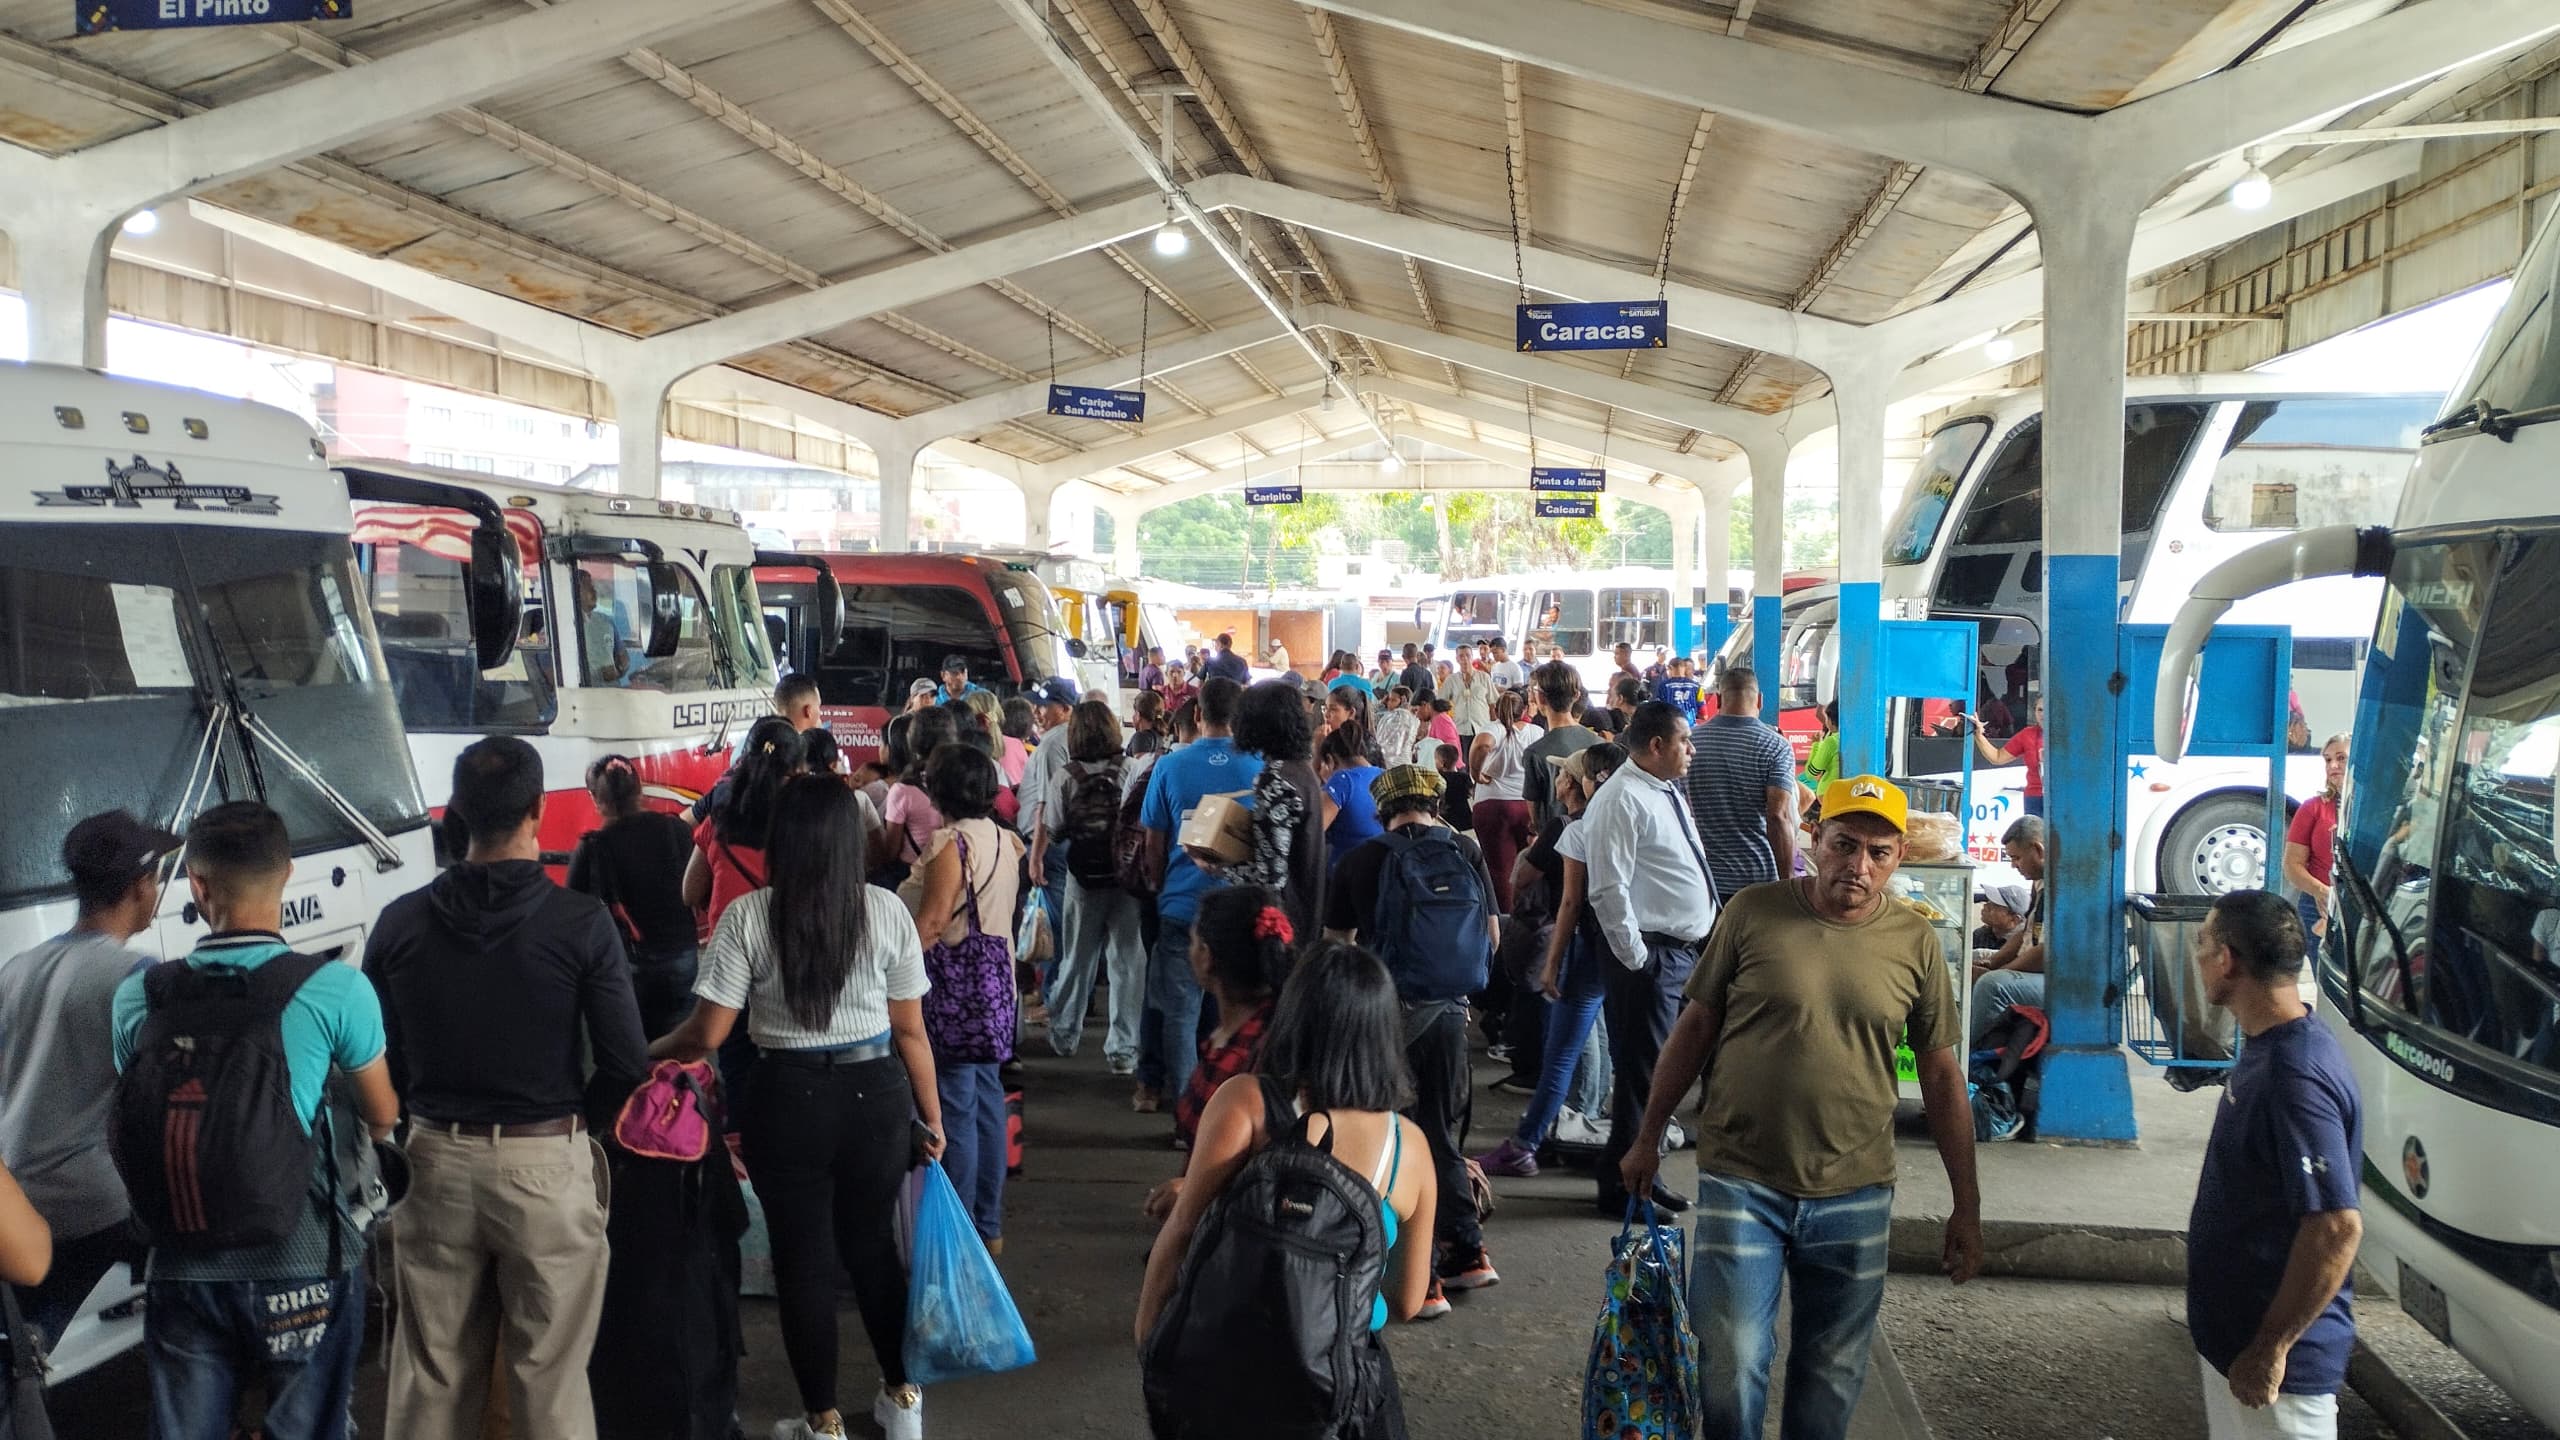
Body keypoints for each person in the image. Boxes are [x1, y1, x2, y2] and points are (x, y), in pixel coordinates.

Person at [1621, 775, 1981, 1440]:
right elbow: (1695, 1027)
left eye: (1879, 852)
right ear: (1814, 839)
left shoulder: (1915, 942)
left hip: (1857, 1188)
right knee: (1730, 1359)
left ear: (1900, 857)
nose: (1859, 865)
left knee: (1832, 1371)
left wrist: (1967, 1203)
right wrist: (1649, 1135)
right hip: (1741, 1175)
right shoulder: (1753, 912)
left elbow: (1939, 1072)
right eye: (1845, 844)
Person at [367, 738, 647, 1440]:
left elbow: (380, 1058)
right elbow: (625, 1059)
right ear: (538, 809)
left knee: (429, 1375)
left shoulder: (400, 923)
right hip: (546, 1161)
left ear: (456, 812)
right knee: (548, 1380)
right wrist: (586, 1125)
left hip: (430, 1159)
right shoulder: (580, 925)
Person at [653, 775, 940, 1440]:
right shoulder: (887, 910)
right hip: (877, 1096)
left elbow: (707, 1036)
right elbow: (910, 1032)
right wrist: (933, 1117)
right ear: (852, 843)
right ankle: (903, 1402)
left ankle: (824, 1421)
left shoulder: (750, 917)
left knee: (803, 1259)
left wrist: (648, 1048)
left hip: (786, 1099)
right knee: (873, 1249)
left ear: (782, 840)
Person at [117, 803, 400, 1440]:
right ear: (288, 875)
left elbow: (139, 1107)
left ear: (195, 885)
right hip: (304, 1261)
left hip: (181, 1265)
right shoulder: (336, 990)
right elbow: (383, 1115)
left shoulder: (141, 995)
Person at [1138, 941, 1438, 1427]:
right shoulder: (1410, 1147)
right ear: (1384, 1033)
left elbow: (1183, 1228)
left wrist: (1150, 1335)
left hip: (1231, 1362)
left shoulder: (1247, 1103)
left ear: (1296, 1015)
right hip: (1341, 1377)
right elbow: (1407, 1300)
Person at [2186, 890, 2363, 1440]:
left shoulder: (2294, 1077)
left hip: (2278, 1376)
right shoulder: (2270, 1047)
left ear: (2228, 960)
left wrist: (2271, 1349)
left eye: (2202, 943)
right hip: (2237, 1346)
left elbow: (2336, 1226)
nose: (2197, 956)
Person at [1325, 765, 1504, 1306]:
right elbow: (1491, 934)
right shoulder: (1465, 851)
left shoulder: (1362, 858)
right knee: (1441, 1135)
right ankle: (1468, 1254)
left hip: (1386, 1013)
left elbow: (1340, 947)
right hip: (1452, 1011)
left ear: (1382, 809)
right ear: (1435, 804)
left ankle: (1416, 1275)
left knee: (1389, 1133)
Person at [0, 811, 173, 1342]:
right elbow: (165, 1102)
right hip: (96, 1201)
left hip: (20, 1196)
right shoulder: (135, 979)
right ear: (141, 887)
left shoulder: (16, 969)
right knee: (202, 1284)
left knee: (28, 1341)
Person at [1579, 701, 1718, 1215]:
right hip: (1652, 958)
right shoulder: (1620, 799)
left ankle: (1644, 1174)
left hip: (1679, 955)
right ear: (1656, 745)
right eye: (1685, 741)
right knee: (1644, 1078)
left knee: (1662, 1077)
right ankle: (1622, 1190)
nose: (1691, 750)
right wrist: (1639, 960)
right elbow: (1608, 889)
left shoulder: (1660, 790)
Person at [1475, 744, 1625, 1179]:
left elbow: (1564, 900)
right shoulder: (1622, 818)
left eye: (1563, 774)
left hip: (1581, 940)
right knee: (1596, 1035)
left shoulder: (1567, 827)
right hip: (1617, 943)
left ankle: (1537, 1137)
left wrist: (1551, 960)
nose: (1555, 779)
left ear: (1577, 784)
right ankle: (1583, 1119)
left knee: (1565, 1048)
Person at [907, 744, 1025, 1250]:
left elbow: (932, 923)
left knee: (954, 1107)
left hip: (954, 992)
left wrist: (892, 962)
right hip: (997, 988)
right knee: (986, 1102)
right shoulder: (1005, 839)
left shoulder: (949, 844)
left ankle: (962, 1235)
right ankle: (990, 1225)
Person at [1140, 676, 1262, 1109]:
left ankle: (1186, 1112)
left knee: (1179, 1012)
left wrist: (1160, 884)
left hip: (1181, 904)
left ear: (1196, 714)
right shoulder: (1260, 765)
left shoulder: (1169, 766)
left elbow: (1153, 841)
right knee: (1241, 1013)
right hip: (1243, 908)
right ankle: (1230, 1110)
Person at [570, 754, 700, 1039]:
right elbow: (695, 890)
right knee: (680, 1044)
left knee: (638, 1045)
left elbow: (573, 913)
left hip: (632, 964)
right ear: (640, 788)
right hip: (684, 956)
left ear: (595, 798)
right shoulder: (675, 829)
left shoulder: (593, 847)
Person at [1048, 699, 1146, 1073]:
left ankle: (1064, 1034)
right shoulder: (1131, 768)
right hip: (1125, 878)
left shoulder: (1066, 775)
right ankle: (1123, 1048)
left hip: (1082, 880)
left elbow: (1055, 831)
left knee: (1076, 958)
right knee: (1127, 962)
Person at [1162, 885, 1288, 1155]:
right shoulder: (1273, 1025)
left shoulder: (1245, 1057)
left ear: (1206, 956)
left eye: (1193, 942)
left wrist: (1187, 1190)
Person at [1684, 665, 1799, 899]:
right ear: (1760, 701)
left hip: (1699, 876)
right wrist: (1787, 884)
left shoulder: (1689, 742)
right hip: (1755, 879)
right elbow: (1778, 817)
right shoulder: (1775, 746)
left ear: (1717, 699)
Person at [1234, 678, 1328, 947]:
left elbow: (1270, 876)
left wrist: (1219, 864)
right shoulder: (1302, 770)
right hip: (1306, 917)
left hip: (1280, 928)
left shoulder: (1275, 779)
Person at [687, 716, 804, 927]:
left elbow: (690, 893)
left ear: (743, 760)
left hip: (727, 945)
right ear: (797, 769)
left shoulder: (718, 820)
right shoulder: (806, 824)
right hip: (780, 944)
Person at [1970, 816, 2049, 1048]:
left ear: (2038, 850)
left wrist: (1996, 973)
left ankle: (1969, 1059)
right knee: (1971, 962)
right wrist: (1992, 962)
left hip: (2061, 985)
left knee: (1992, 985)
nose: (2014, 865)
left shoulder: (2061, 886)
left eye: (2016, 858)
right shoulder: (2039, 882)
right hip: (2035, 973)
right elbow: (2025, 931)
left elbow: (2043, 953)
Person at [1467, 692, 1545, 912]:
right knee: (1531, 865)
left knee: (1500, 870)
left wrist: (1476, 773)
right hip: (1526, 806)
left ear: (1496, 710)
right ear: (1523, 711)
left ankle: (1505, 923)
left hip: (1493, 805)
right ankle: (1531, 919)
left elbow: (1482, 746)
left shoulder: (1494, 728)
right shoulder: (1536, 732)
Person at [879, 706, 960, 884]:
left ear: (913, 742)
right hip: (953, 869)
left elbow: (891, 852)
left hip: (912, 874)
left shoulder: (903, 790)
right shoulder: (960, 778)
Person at [2284, 735, 2348, 941]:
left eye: (2341, 758)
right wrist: (2320, 891)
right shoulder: (2313, 808)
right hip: (2318, 905)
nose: (2333, 765)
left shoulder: (2377, 810)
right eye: (2328, 760)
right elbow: (2292, 866)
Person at [1521, 662, 1599, 825]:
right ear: (1577, 695)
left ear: (1540, 698)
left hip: (1556, 837)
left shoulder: (1535, 753)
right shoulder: (1599, 742)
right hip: (1596, 832)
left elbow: (1533, 809)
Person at [1944, 694, 2046, 816]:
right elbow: (1997, 757)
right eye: (2039, 709)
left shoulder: (2069, 735)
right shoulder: (2027, 734)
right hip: (2034, 799)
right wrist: (1978, 734)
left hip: (2062, 798)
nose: (2042, 714)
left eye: (2047, 709)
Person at [1318, 722, 1386, 874]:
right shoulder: (1384, 774)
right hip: (1381, 871)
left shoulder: (1342, 780)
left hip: (1346, 876)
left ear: (1330, 760)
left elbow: (1313, 831)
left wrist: (1326, 784)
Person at [572, 568, 629, 686]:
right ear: (574, 592)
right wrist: (599, 675)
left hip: (614, 691)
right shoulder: (563, 626)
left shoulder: (606, 621)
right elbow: (554, 676)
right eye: (588, 587)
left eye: (593, 587)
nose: (594, 591)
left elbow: (623, 656)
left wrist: (619, 671)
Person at [1447, 644, 1495, 746]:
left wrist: (1495, 727)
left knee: (1484, 760)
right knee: (1464, 760)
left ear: (1472, 657)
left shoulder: (1484, 677)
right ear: (1457, 659)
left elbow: (1493, 703)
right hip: (1461, 729)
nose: (1465, 659)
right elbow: (1441, 702)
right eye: (1461, 656)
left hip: (1482, 727)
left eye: (1468, 655)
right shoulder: (1452, 680)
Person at [1972, 880, 2033, 956]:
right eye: (1988, 901)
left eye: (1994, 905)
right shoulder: (1980, 934)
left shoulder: (2025, 942)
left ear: (2014, 919)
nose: (1985, 906)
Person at [1374, 685, 1422, 770]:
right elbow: (1370, 716)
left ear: (1403, 702)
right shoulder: (1388, 717)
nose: (1389, 703)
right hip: (1394, 764)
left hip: (1397, 764)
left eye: (1393, 700)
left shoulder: (1406, 718)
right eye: (1388, 700)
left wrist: (1403, 711)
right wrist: (1381, 704)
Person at [1802, 699, 1843, 793]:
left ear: (1832, 720)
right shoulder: (1850, 738)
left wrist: (1816, 745)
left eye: (1827, 718)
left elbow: (1811, 773)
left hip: (1828, 793)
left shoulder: (1831, 741)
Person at [1434, 741, 1475, 833]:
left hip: (1446, 818)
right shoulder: (1464, 777)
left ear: (1441, 762)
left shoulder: (1437, 778)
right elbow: (1471, 795)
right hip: (1465, 818)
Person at [1651, 656, 1702, 725]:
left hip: (1671, 727)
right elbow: (1703, 713)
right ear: (1684, 668)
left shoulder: (1663, 686)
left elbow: (1658, 709)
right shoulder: (1697, 687)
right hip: (1690, 726)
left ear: (1670, 668)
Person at [1127, 688, 1170, 758]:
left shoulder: (1140, 737)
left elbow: (1140, 766)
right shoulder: (1161, 735)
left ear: (1138, 715)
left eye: (1134, 712)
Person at [1397, 643, 1435, 708]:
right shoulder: (1427, 673)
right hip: (1426, 710)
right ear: (1417, 655)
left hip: (1412, 710)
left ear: (1403, 657)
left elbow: (1404, 696)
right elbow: (1432, 693)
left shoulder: (1406, 673)